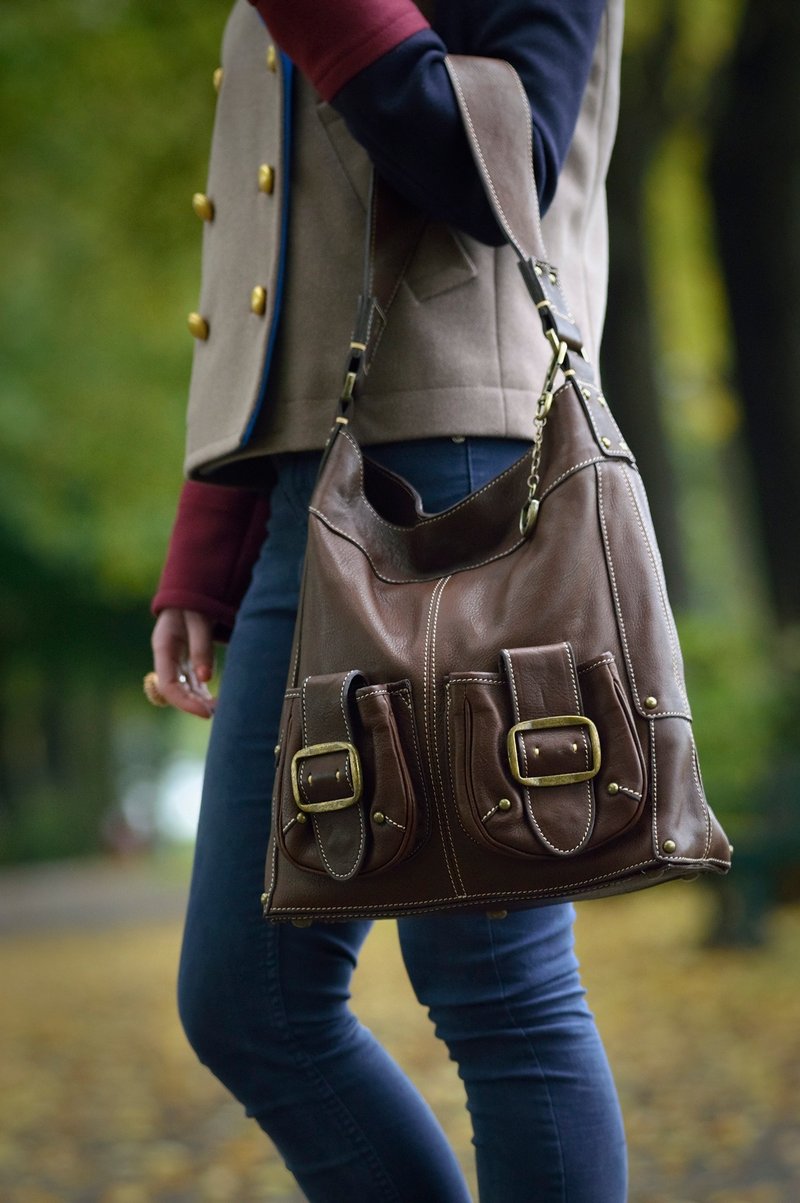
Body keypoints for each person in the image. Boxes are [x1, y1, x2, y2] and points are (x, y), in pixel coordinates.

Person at [149, 1, 628, 1198]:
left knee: (497, 993)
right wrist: (216, 523)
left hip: (463, 464)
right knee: (247, 1001)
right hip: (308, 477)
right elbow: (289, 242)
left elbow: (497, 169)